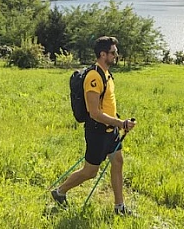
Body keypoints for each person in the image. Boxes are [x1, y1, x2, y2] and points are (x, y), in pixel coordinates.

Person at [51, 36, 137, 215]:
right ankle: (60, 192)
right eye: (113, 52)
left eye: (116, 52)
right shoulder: (93, 77)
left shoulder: (107, 73)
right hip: (97, 132)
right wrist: (121, 123)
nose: (116, 55)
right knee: (90, 172)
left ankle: (119, 207)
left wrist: (117, 123)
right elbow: (94, 113)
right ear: (102, 54)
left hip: (110, 130)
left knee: (118, 161)